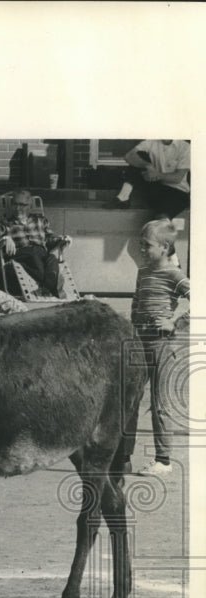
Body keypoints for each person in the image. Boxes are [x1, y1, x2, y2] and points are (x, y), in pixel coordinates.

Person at [129, 219, 190, 478]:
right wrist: (130, 329)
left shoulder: (174, 274)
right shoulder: (143, 272)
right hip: (139, 342)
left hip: (163, 345)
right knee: (130, 399)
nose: (142, 250)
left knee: (159, 403)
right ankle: (122, 458)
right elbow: (136, 299)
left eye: (147, 245)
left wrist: (173, 321)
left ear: (165, 247)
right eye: (141, 245)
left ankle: (163, 460)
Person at [0, 189, 72, 299]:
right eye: (15, 204)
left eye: (22, 205)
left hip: (40, 255)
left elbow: (49, 238)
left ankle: (48, 285)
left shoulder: (40, 220)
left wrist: (61, 239)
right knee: (34, 253)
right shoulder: (5, 224)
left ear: (29, 206)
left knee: (52, 258)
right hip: (19, 255)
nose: (18, 208)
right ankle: (54, 286)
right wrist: (5, 238)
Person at [105, 140, 191, 219]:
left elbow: (177, 178)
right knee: (139, 156)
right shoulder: (151, 141)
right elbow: (128, 156)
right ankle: (123, 197)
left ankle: (160, 230)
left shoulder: (185, 147)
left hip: (177, 192)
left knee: (161, 218)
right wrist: (148, 166)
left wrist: (157, 174)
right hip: (156, 188)